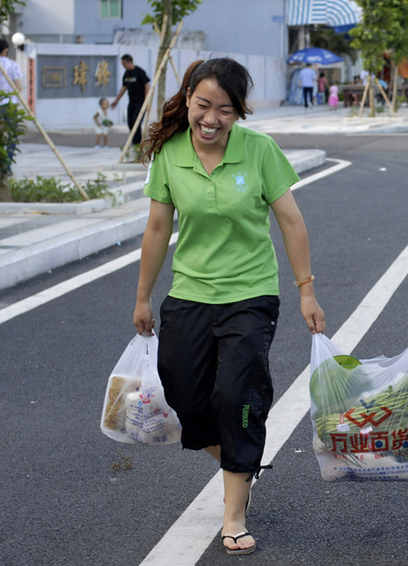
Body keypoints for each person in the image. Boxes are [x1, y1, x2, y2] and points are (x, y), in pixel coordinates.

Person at [132, 57, 325, 556]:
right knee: (185, 399)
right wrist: (142, 297)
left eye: (225, 109)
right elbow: (157, 230)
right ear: (188, 99)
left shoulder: (259, 150)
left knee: (238, 397)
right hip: (189, 294)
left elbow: (291, 221)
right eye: (203, 106)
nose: (212, 118)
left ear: (239, 112)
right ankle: (242, 458)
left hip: (250, 295)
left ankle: (233, 511)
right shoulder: (171, 154)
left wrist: (306, 289)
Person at [0, 38, 24, 163]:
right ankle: (7, 163)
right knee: (12, 135)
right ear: (6, 50)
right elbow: (18, 87)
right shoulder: (12, 65)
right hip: (9, 105)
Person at [111, 54, 151, 161]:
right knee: (130, 122)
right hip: (132, 102)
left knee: (136, 122)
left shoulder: (139, 72)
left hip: (140, 102)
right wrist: (116, 101)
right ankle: (136, 143)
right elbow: (123, 88)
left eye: (124, 63)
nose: (123, 66)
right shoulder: (126, 74)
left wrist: (147, 101)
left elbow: (147, 85)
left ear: (129, 62)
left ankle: (137, 144)